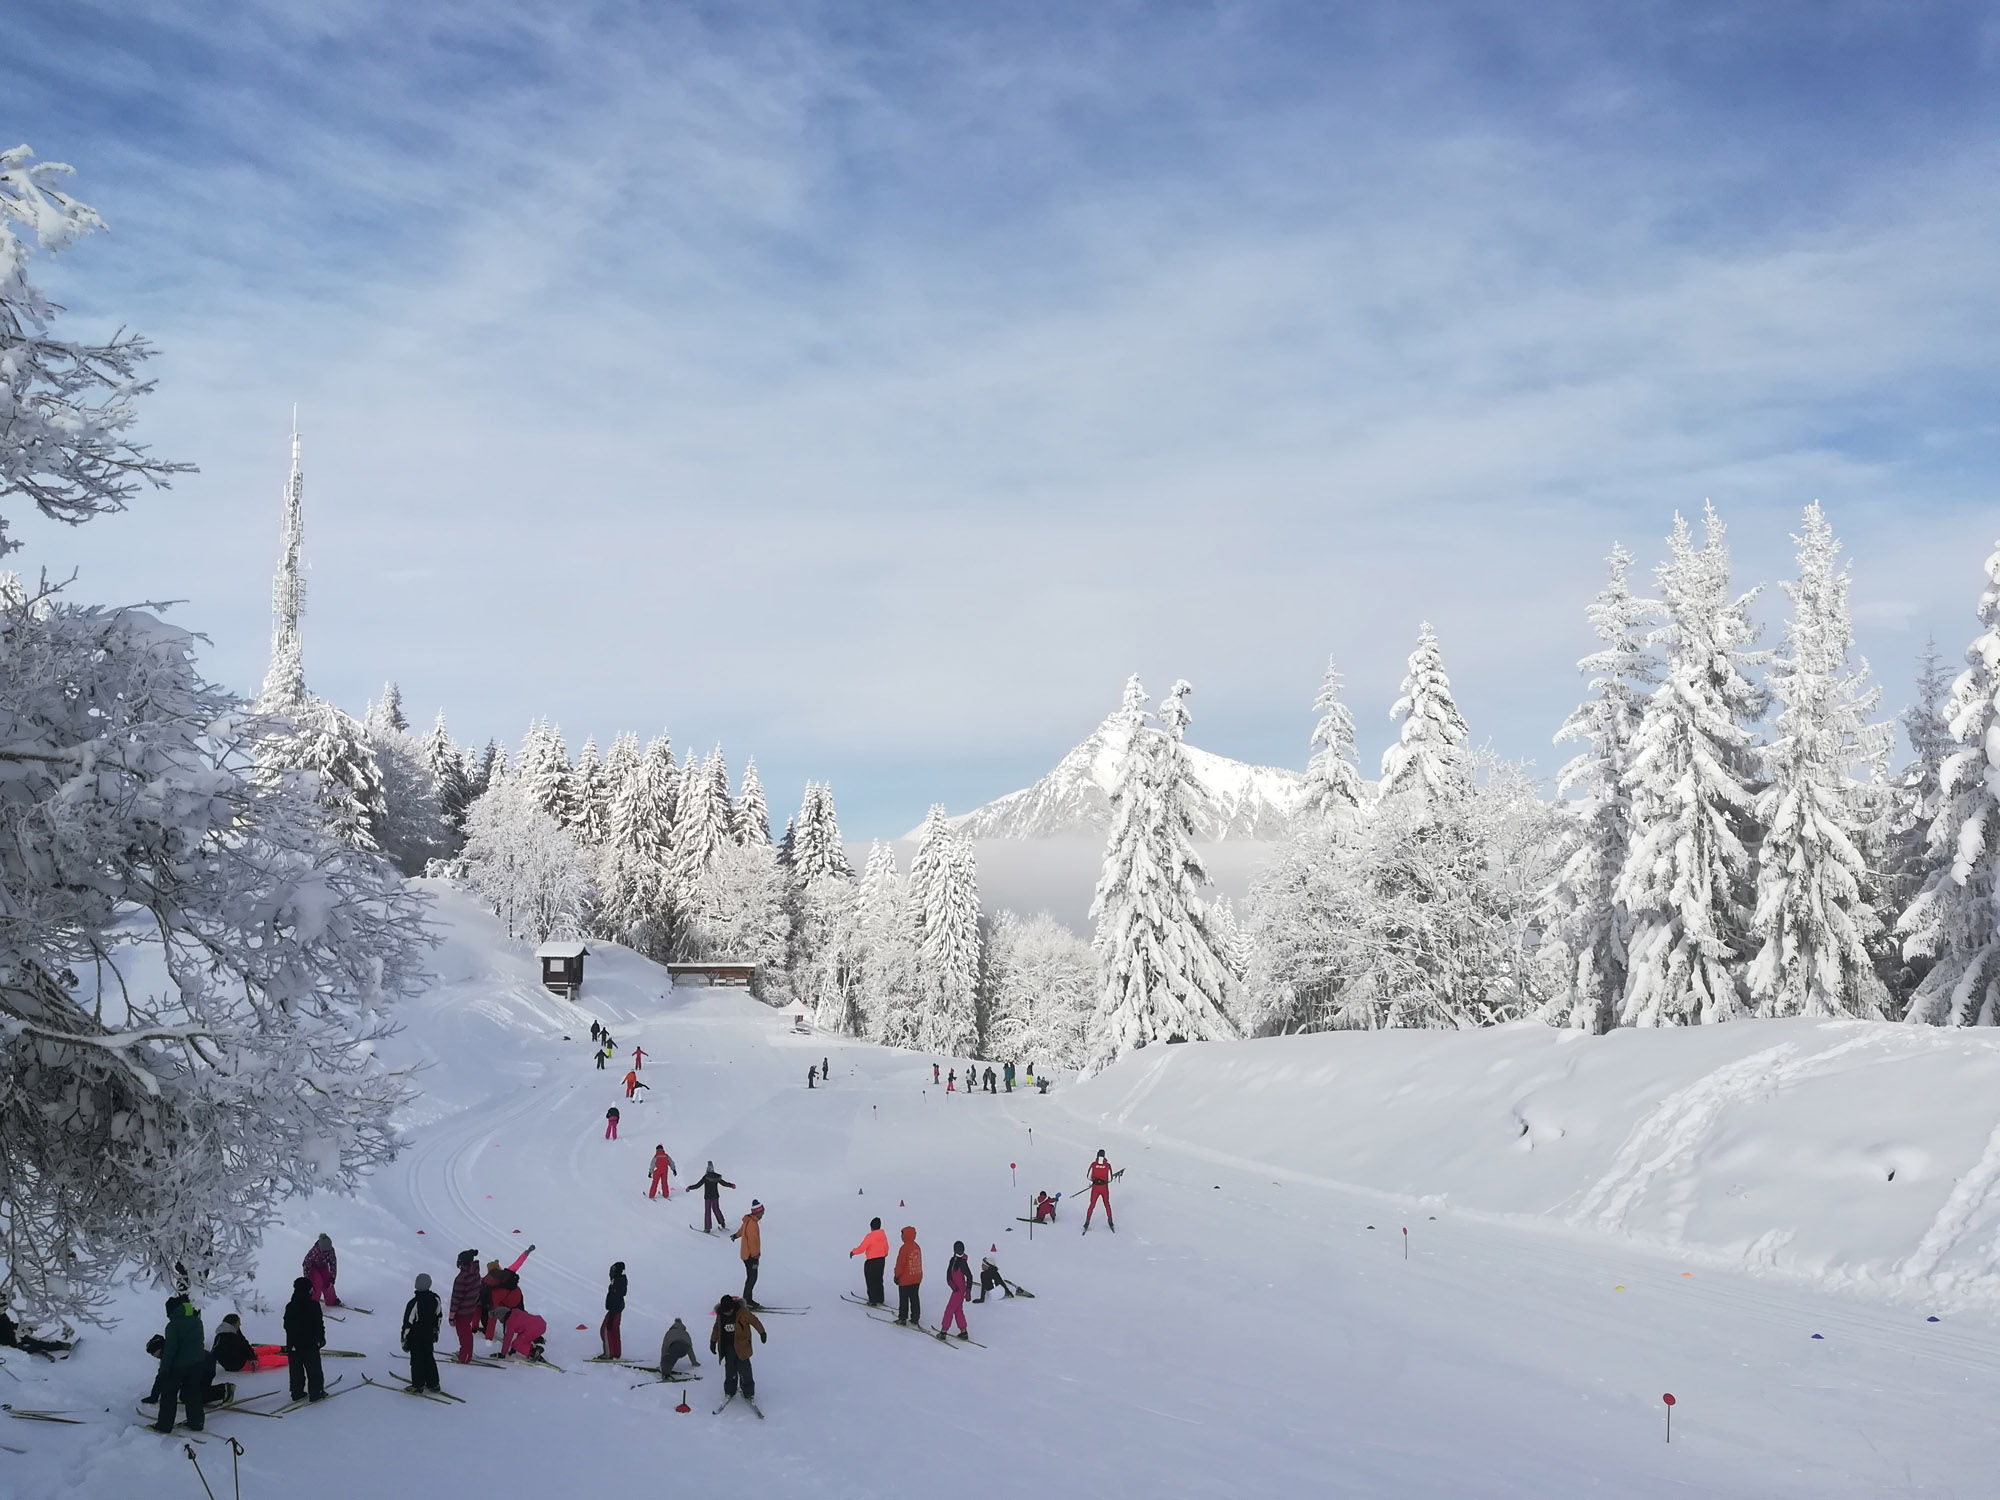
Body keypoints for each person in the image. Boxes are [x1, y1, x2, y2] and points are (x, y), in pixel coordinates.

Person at [152, 1294, 212, 1432]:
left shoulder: (173, 1325)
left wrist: (164, 1369)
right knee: (193, 1393)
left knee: (169, 1395)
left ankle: (164, 1426)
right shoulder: (197, 1321)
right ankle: (196, 1423)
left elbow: (170, 1350)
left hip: (178, 1366)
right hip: (197, 1363)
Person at [709, 1294, 766, 1402]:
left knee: (745, 1370)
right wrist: (713, 1341)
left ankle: (748, 1392)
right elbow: (716, 1328)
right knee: (730, 1370)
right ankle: (730, 1391)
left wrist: (762, 1332)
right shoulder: (720, 1315)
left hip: (742, 1347)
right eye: (725, 1311)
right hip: (728, 1347)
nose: (727, 1313)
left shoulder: (742, 1312)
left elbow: (754, 1321)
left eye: (729, 1311)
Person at [283, 1277, 327, 1404]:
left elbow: (286, 1325)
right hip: (310, 1343)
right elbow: (318, 1324)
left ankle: (296, 1392)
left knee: (296, 1369)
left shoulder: (290, 1306)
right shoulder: (313, 1305)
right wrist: (321, 1338)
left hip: (294, 1344)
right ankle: (316, 1392)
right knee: (314, 1369)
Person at [484, 1245, 535, 1341]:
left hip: (509, 1302)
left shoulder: (493, 1287)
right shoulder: (506, 1275)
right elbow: (517, 1263)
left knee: (509, 1318)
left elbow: (493, 1315)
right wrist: (526, 1253)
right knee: (522, 1317)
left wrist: (488, 1338)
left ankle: (514, 1336)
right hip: (517, 1296)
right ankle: (534, 1334)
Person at [402, 1273, 443, 1393]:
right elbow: (439, 1316)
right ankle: (433, 1383)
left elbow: (407, 1323)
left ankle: (418, 1384)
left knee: (416, 1360)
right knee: (428, 1357)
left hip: (416, 1336)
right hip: (429, 1334)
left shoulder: (414, 1302)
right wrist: (436, 1332)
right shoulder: (435, 1298)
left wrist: (404, 1339)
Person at [450, 1249, 483, 1364]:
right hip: (470, 1308)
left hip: (462, 1310)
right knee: (466, 1332)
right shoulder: (475, 1272)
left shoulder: (462, 1277)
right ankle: (466, 1352)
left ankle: (465, 1355)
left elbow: (456, 1298)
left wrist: (452, 1315)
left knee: (463, 1333)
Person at [0, 1306, 73, 1357]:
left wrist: (24, 1327)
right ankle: (59, 1346)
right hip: (8, 1340)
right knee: (32, 1345)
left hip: (14, 1334)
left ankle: (60, 1345)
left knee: (34, 1340)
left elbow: (8, 1325)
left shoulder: (2, 1314)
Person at [849, 1217, 889, 1306]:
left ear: (871, 1227)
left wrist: (853, 1252)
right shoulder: (883, 1235)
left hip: (871, 1261)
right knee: (879, 1279)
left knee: (871, 1280)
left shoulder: (870, 1236)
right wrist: (885, 1253)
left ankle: (873, 1300)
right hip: (881, 1260)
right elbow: (886, 1246)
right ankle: (880, 1298)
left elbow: (862, 1248)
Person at [731, 1201, 765, 1305]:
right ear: (758, 1213)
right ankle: (747, 1300)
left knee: (750, 1277)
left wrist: (735, 1235)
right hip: (750, 1256)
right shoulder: (752, 1224)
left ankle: (747, 1299)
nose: (762, 1214)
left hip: (746, 1255)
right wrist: (755, 1256)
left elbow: (742, 1230)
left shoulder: (748, 1221)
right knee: (752, 1278)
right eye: (762, 1212)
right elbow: (753, 1241)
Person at [941, 1241, 972, 1340]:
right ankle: (963, 1331)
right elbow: (949, 1273)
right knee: (958, 1310)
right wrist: (951, 1283)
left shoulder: (962, 1262)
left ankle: (944, 1331)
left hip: (958, 1290)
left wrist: (968, 1290)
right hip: (956, 1289)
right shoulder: (954, 1260)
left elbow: (969, 1276)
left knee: (950, 1309)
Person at [893, 1226, 923, 1327]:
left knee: (904, 1299)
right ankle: (915, 1317)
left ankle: (902, 1318)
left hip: (906, 1279)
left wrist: (896, 1276)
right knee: (914, 1298)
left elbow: (900, 1264)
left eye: (902, 1235)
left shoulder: (904, 1248)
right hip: (916, 1277)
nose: (901, 1237)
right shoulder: (917, 1247)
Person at [695, 1161, 735, 1233]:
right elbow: (724, 1183)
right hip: (715, 1196)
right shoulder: (716, 1177)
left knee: (708, 1212)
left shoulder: (705, 1177)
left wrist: (689, 1187)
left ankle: (707, 1228)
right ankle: (722, 1222)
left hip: (707, 1197)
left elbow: (697, 1185)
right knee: (716, 1209)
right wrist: (731, 1185)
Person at [302, 1232, 340, 1306]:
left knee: (328, 1282)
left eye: (328, 1251)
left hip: (323, 1267)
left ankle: (331, 1300)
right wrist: (307, 1279)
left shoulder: (331, 1251)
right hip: (313, 1269)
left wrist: (332, 1277)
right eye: (325, 1251)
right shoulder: (314, 1252)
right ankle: (313, 1303)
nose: (327, 1253)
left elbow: (333, 1264)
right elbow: (306, 1264)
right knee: (317, 1283)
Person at [1085, 1149, 1116, 1233]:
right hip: (1104, 1188)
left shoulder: (1093, 1164)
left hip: (1095, 1187)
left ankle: (1087, 1222)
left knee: (1092, 1205)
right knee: (1107, 1204)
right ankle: (1110, 1221)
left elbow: (1088, 1176)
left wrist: (1093, 1180)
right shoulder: (1107, 1165)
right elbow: (1110, 1179)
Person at [602, 1262, 627, 1360]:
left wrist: (613, 1311)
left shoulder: (618, 1282)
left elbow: (617, 1296)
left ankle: (609, 1354)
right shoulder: (618, 1281)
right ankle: (616, 1353)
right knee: (614, 1330)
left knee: (606, 1330)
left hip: (614, 1310)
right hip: (615, 1310)